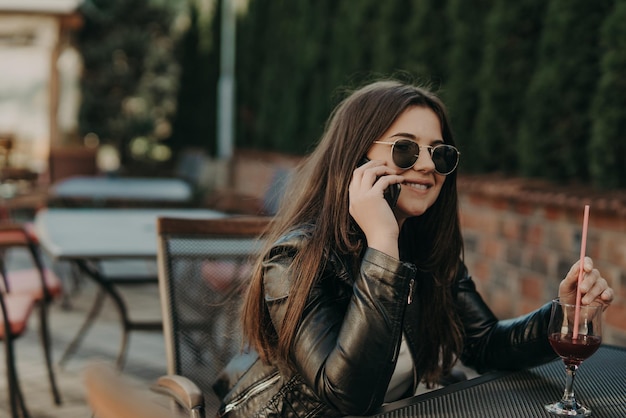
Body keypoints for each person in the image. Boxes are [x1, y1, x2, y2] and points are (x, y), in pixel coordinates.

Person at [213, 79, 614, 418]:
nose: (426, 166)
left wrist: (563, 313)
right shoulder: (296, 258)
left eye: (439, 153)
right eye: (405, 149)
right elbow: (347, 396)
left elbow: (485, 344)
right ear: (358, 158)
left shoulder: (425, 250)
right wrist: (383, 246)